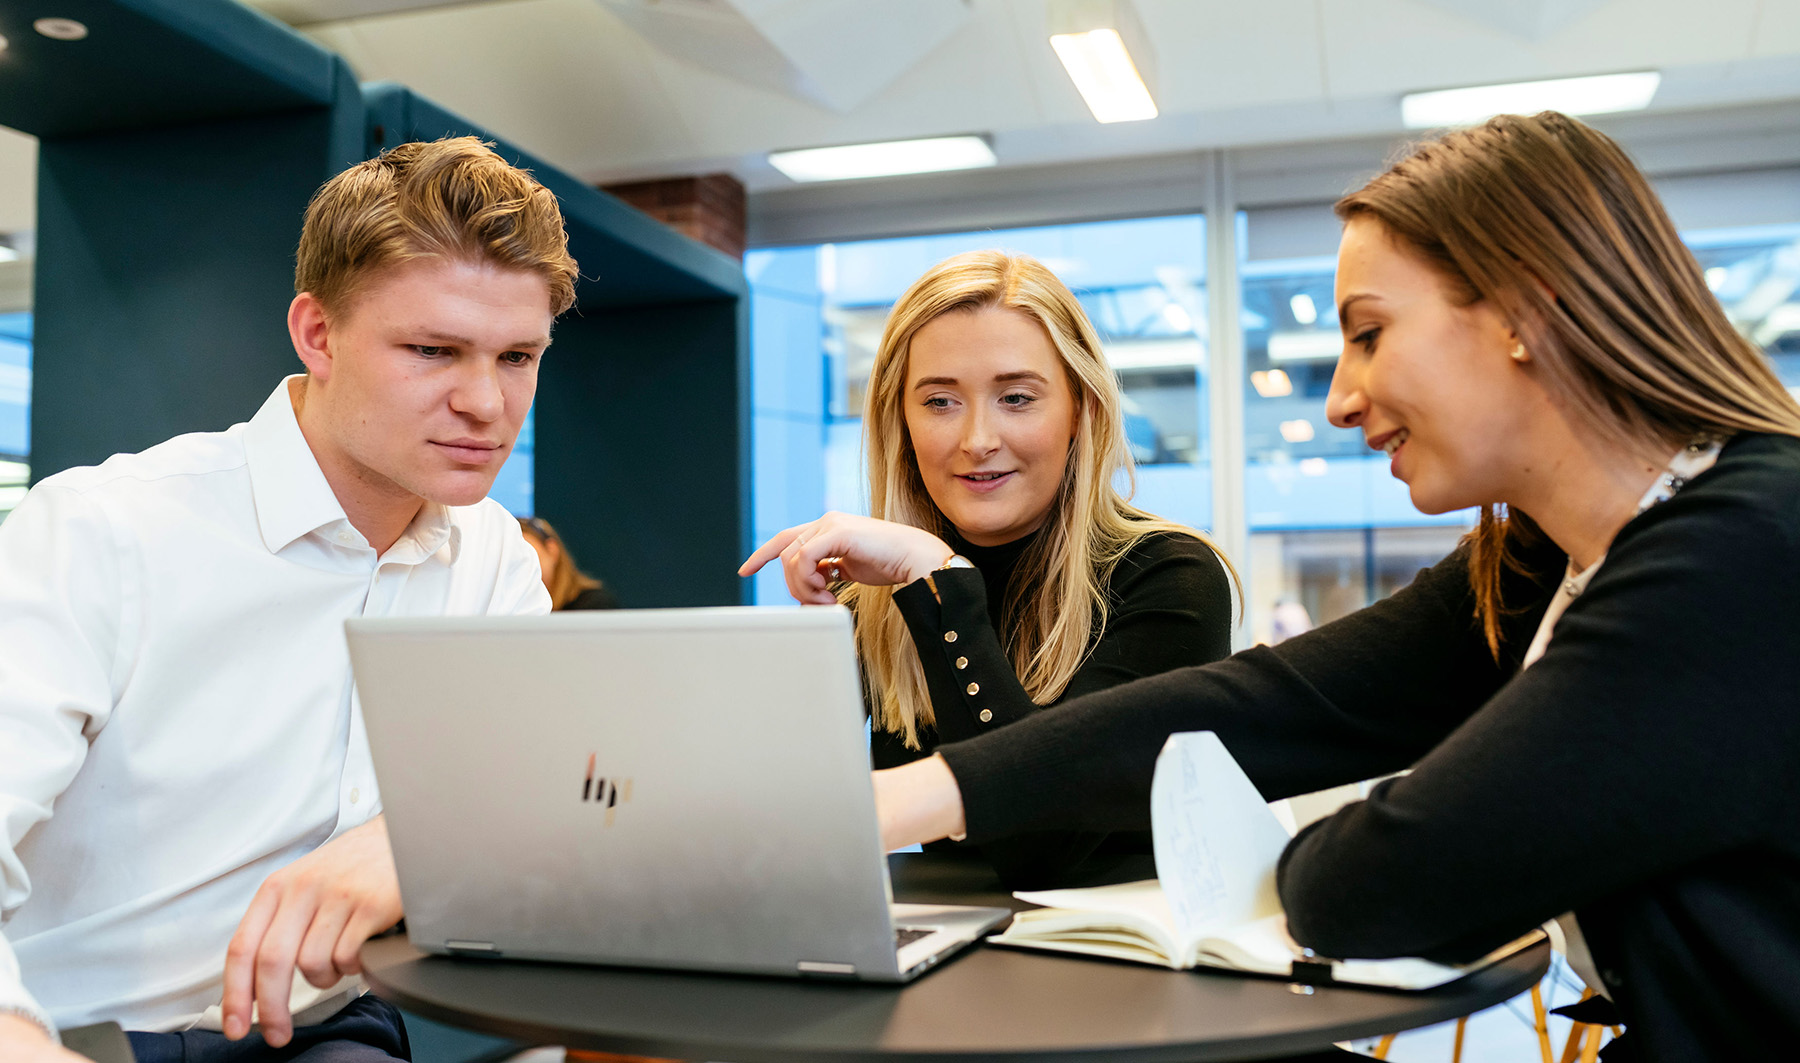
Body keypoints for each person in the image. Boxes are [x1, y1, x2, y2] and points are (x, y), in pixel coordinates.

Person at [872, 111, 1800, 1060]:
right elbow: (1278, 702)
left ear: (1526, 311)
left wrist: (1320, 849)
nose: (1339, 397)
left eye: (1369, 333)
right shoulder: (1550, 558)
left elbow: (1383, 883)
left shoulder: (1737, 556)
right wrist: (906, 799)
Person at [0, 136, 579, 1063]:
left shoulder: (492, 559)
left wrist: (409, 840)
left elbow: (522, 802)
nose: (488, 402)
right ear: (318, 334)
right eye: (435, 350)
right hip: (82, 1035)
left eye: (518, 356)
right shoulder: (102, 531)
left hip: (330, 1030)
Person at [741, 250, 1236, 887]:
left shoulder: (1169, 578)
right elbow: (786, 818)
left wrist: (938, 582)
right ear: (903, 422)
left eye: (1017, 397)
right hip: (930, 954)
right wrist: (808, 660)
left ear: (1081, 410)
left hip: (1114, 970)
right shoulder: (879, 598)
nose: (977, 438)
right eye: (941, 402)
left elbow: (1038, 847)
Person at [519, 515, 620, 609]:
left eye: (531, 559)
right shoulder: (516, 608)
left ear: (552, 550)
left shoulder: (595, 605)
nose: (524, 571)